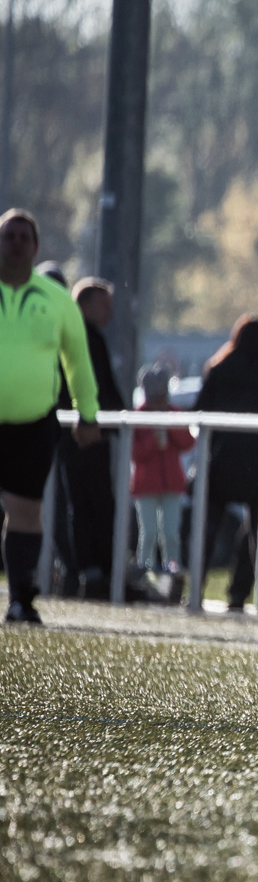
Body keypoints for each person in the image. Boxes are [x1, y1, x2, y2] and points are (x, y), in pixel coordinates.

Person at [0, 209, 100, 623]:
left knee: (26, 512)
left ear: (36, 247)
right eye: (9, 236)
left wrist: (88, 413)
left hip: (33, 425)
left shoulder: (57, 301)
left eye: (25, 237)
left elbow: (77, 361)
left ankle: (21, 597)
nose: (17, 243)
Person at [194, 316, 258, 611]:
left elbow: (200, 411)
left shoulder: (218, 369)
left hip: (221, 461)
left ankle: (195, 588)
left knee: (207, 529)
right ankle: (244, 593)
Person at [60, 277, 128, 598]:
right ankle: (95, 574)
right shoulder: (82, 340)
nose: (110, 315)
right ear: (85, 304)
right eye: (104, 306)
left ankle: (92, 573)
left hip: (85, 433)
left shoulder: (85, 337)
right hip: (84, 434)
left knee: (86, 506)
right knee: (90, 506)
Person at [130, 364, 193, 583]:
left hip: (172, 484)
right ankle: (143, 575)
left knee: (170, 534)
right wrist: (152, 442)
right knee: (147, 534)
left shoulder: (175, 413)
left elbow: (188, 442)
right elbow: (134, 453)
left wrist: (171, 429)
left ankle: (172, 574)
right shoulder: (137, 416)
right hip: (145, 484)